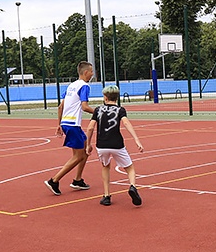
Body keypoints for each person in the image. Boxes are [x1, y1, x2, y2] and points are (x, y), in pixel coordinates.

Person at [85, 85, 144, 207]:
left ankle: (106, 196)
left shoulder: (98, 110)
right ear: (117, 98)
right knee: (129, 168)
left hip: (102, 145)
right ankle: (133, 186)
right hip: (117, 144)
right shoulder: (120, 110)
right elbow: (126, 123)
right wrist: (136, 140)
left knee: (105, 167)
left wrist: (88, 144)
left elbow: (90, 127)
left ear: (105, 97)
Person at [45, 61, 95, 195]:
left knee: (85, 149)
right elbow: (84, 106)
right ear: (85, 73)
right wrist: (98, 112)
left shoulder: (71, 86)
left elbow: (61, 106)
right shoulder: (84, 86)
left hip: (67, 123)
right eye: (91, 71)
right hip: (73, 125)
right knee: (78, 156)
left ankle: (78, 180)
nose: (92, 74)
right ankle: (54, 180)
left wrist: (59, 124)